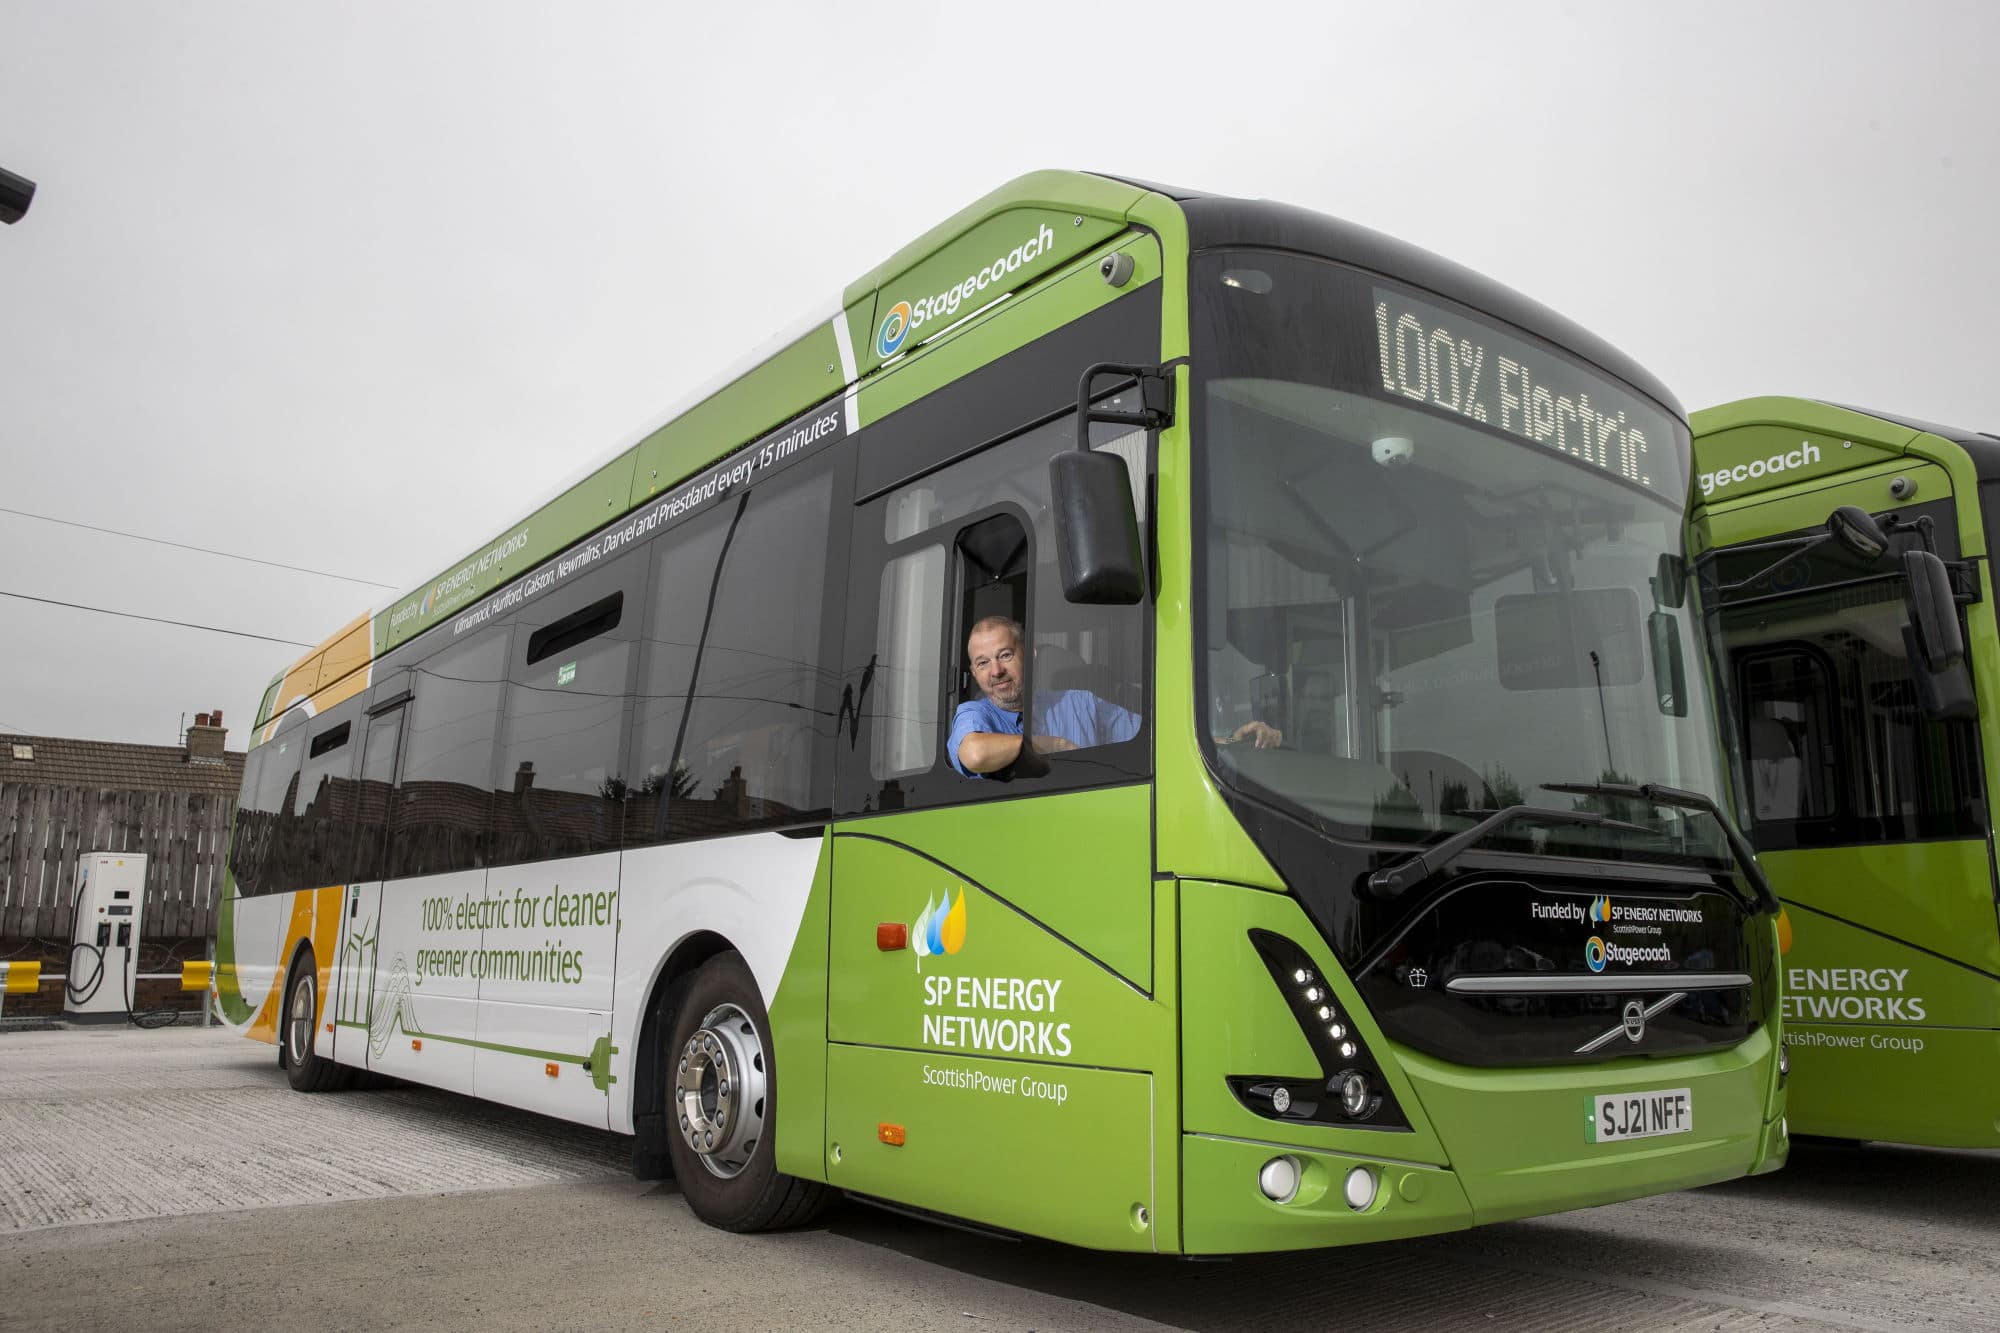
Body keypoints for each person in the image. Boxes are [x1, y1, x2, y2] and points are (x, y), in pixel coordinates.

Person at [948, 616, 1281, 778]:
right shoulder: (975, 715)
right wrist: (1057, 746)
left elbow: (1156, 740)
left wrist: (1227, 738)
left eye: (1005, 655)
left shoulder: (1081, 703)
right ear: (975, 673)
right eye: (983, 663)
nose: (995, 671)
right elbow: (974, 754)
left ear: (1030, 655)